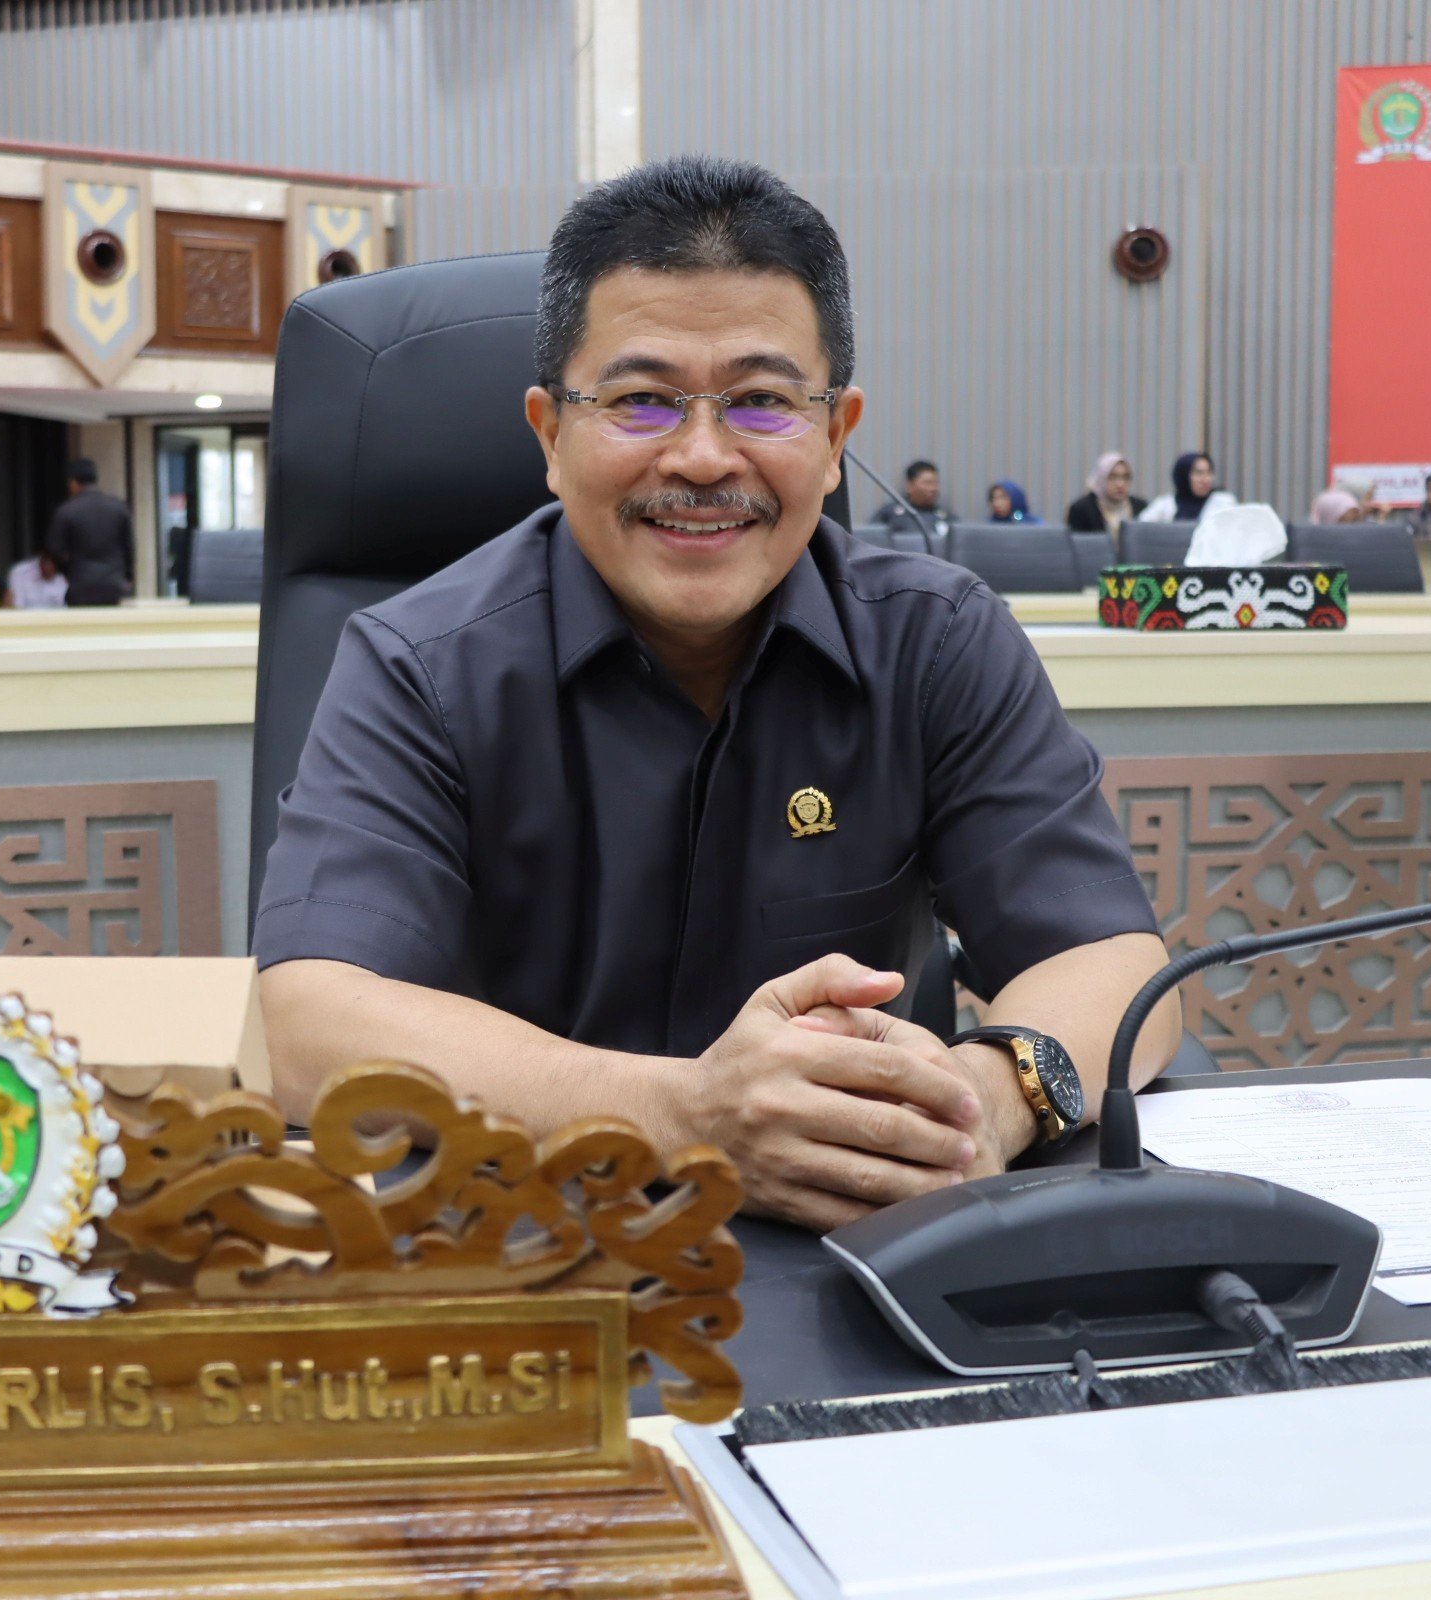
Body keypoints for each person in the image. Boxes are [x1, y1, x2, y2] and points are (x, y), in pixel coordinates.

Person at [256, 156, 1179, 1232]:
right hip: (520, 1251)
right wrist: (685, 1114)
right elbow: (306, 1024)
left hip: (852, 1247)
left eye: (763, 403)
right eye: (642, 401)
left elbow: (1111, 958)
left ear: (835, 438)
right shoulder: (418, 663)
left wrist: (992, 1096)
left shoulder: (936, 641)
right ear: (550, 434)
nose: (702, 458)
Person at [41, 459, 134, 606]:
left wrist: (67, 572)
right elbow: (129, 548)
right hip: (114, 587)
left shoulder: (66, 511)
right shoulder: (119, 508)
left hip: (80, 587)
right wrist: (127, 577)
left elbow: (54, 550)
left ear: (73, 482)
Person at [1140, 451, 1236, 523]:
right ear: (1183, 476)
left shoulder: (1223, 502)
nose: (1206, 479)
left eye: (1209, 472)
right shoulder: (1165, 504)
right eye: (1199, 473)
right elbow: (1141, 527)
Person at [867, 458, 951, 538]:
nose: (933, 488)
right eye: (927, 483)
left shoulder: (945, 516)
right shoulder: (889, 514)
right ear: (909, 486)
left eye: (935, 483)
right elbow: (872, 538)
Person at [1065, 453, 1144, 534]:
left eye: (1125, 477)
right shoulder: (1081, 510)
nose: (1120, 484)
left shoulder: (1141, 507)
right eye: (1113, 477)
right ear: (1101, 478)